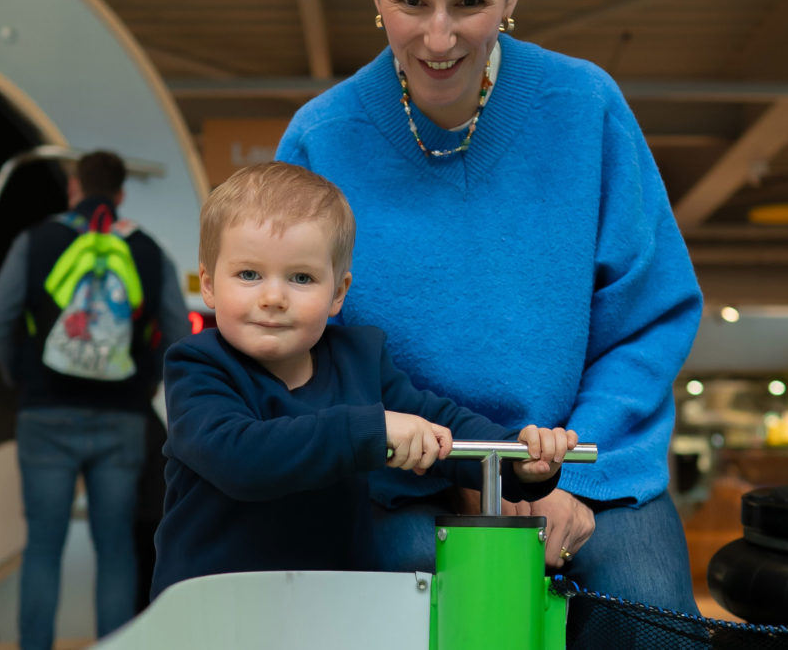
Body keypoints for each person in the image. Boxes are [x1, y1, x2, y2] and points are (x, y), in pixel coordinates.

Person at [275, 0, 704, 615]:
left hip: (582, 462)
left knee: (648, 611)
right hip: (400, 477)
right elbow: (298, 350)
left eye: (469, 2)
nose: (439, 38)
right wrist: (449, 470)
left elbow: (648, 315)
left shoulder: (585, 106)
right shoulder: (322, 136)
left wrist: (563, 479)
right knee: (426, 602)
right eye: (411, 1)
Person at [150, 161, 577, 597]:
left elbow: (440, 424)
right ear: (208, 284)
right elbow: (239, 456)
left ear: (337, 292)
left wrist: (517, 457)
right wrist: (371, 430)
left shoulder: (360, 360)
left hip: (335, 603)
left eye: (301, 278)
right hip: (211, 606)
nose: (273, 297)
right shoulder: (196, 367)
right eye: (249, 274)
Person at [0, 150, 190, 650]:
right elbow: (179, 333)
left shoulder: (35, 241)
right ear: (120, 195)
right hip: (120, 417)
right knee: (115, 548)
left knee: (43, 549)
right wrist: (145, 382)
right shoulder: (147, 249)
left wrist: (21, 374)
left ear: (74, 188)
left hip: (44, 413)